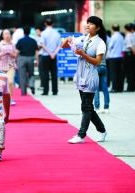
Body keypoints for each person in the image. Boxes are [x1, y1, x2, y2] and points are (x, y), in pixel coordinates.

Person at [61, 16, 108, 144]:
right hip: (81, 76)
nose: (88, 26)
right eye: (87, 23)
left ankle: (81, 135)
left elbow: (98, 62)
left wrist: (84, 55)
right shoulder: (84, 38)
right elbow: (63, 46)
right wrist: (68, 40)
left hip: (91, 77)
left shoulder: (100, 43)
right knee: (88, 107)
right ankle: (102, 130)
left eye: (91, 24)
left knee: (86, 107)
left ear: (97, 28)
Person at [40, 18, 61, 96]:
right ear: (53, 24)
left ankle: (46, 91)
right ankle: (55, 91)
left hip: (45, 55)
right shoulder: (57, 33)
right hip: (54, 56)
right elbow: (59, 45)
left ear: (45, 24)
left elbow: (42, 44)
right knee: (54, 73)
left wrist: (49, 53)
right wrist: (53, 53)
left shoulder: (43, 33)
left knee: (45, 73)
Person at [15, 26, 38, 95]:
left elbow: (17, 51)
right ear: (29, 32)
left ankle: (23, 91)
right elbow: (36, 51)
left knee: (22, 75)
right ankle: (32, 85)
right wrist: (37, 60)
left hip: (22, 58)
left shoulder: (20, 40)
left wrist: (15, 59)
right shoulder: (33, 40)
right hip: (31, 58)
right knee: (31, 73)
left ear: (23, 32)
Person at [0, 29, 17, 105]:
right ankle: (1, 98)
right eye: (5, 34)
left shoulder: (13, 44)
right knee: (2, 84)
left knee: (10, 82)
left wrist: (11, 53)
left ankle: (10, 98)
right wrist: (3, 53)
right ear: (2, 36)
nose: (7, 35)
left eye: (8, 33)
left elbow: (15, 55)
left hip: (10, 66)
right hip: (1, 66)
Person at [106, 24, 125, 92]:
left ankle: (114, 88)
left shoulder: (113, 37)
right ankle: (120, 88)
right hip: (120, 57)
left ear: (112, 29)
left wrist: (107, 56)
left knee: (113, 73)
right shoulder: (121, 37)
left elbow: (110, 47)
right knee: (119, 73)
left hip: (113, 57)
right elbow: (123, 48)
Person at [123, 23, 135, 92]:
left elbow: (130, 46)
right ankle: (133, 86)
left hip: (129, 54)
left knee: (128, 71)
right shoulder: (133, 35)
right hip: (133, 54)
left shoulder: (128, 36)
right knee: (133, 71)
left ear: (126, 29)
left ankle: (130, 87)